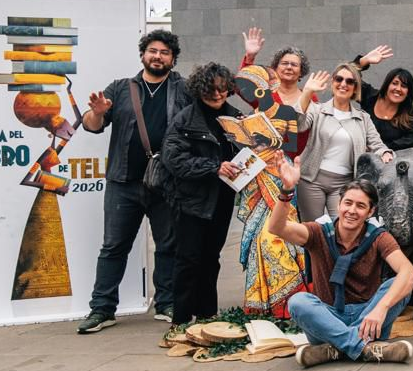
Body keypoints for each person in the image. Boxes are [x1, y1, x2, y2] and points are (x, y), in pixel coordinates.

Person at [74, 29, 190, 333]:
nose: (158, 56)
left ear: (173, 59)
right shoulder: (121, 88)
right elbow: (90, 125)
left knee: (169, 245)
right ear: (143, 55)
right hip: (123, 182)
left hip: (167, 183)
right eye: (153, 51)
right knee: (114, 246)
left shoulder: (183, 88)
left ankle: (166, 303)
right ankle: (102, 309)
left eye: (165, 52)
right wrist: (97, 113)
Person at [262, 156, 413, 364]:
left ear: (370, 212)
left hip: (368, 317)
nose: (352, 211)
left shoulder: (378, 237)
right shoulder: (318, 232)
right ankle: (364, 347)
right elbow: (276, 228)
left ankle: (333, 349)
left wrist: (381, 308)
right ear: (339, 204)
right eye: (348, 203)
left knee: (399, 285)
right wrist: (288, 190)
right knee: (298, 302)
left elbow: (410, 273)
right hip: (329, 317)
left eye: (361, 206)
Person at [235, 28, 323, 318]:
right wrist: (250, 55)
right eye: (284, 62)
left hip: (287, 174)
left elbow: (303, 133)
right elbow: (242, 85)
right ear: (276, 68)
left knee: (282, 234)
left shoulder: (313, 100)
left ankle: (289, 302)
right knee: (260, 237)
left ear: (301, 72)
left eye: (294, 64)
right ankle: (263, 300)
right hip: (260, 173)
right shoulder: (266, 96)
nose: (288, 67)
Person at [160, 62, 244, 326]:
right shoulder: (185, 118)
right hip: (190, 200)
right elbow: (173, 159)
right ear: (199, 89)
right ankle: (182, 319)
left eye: (221, 89)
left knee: (212, 258)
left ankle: (208, 314)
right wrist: (213, 168)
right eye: (211, 89)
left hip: (222, 199)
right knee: (188, 259)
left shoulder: (237, 117)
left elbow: (249, 153)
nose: (217, 94)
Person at [297, 61, 394, 220]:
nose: (343, 84)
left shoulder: (363, 118)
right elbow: (299, 125)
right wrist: (306, 92)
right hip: (311, 180)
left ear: (355, 87)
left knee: (344, 228)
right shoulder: (317, 109)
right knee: (313, 230)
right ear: (332, 82)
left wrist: (385, 153)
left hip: (344, 184)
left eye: (350, 81)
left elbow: (377, 144)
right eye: (339, 79)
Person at [354, 45, 413, 152]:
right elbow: (347, 76)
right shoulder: (370, 96)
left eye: (404, 86)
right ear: (387, 84)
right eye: (394, 83)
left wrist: (382, 148)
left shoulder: (410, 113)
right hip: (362, 159)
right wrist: (364, 61)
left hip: (391, 163)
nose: (398, 89)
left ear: (408, 92)